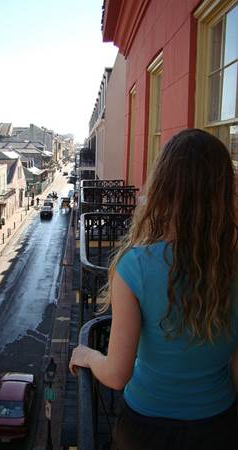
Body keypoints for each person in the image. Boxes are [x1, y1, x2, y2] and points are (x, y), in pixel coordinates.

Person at [69, 129, 238, 450]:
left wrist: (88, 355)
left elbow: (117, 375)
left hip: (147, 430)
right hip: (220, 426)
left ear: (163, 187)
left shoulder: (136, 266)